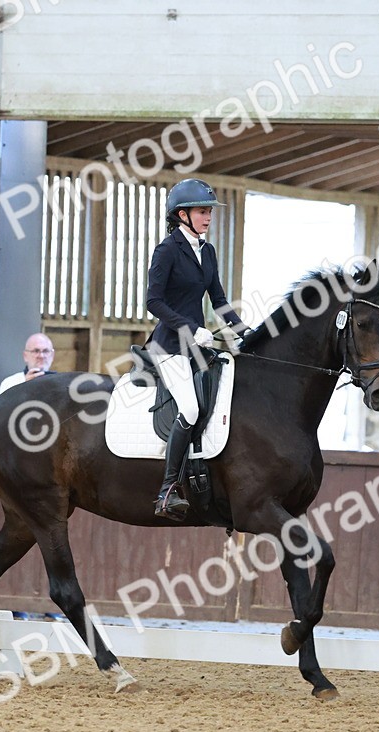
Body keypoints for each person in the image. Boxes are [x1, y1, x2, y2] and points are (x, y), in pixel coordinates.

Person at [145, 178, 246, 520]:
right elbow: (153, 301)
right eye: (203, 211)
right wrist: (191, 329)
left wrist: (244, 331)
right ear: (182, 215)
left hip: (197, 345)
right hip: (169, 346)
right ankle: (167, 490)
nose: (208, 218)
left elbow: (218, 299)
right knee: (189, 409)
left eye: (209, 212)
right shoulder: (167, 250)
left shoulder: (208, 251)